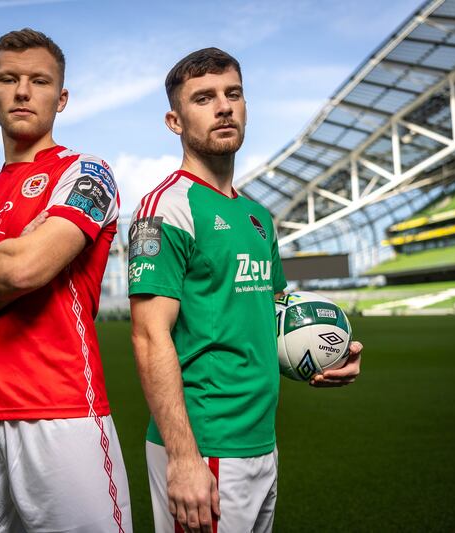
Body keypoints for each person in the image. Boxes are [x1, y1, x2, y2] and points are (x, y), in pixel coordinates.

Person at [127, 48, 363, 533]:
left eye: (233, 93)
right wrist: (184, 458)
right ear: (175, 120)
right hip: (205, 446)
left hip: (260, 442)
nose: (223, 106)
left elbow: (273, 312)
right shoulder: (164, 210)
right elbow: (150, 337)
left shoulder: (258, 217)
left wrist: (325, 354)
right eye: (204, 97)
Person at [0, 28, 131, 533]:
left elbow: (25, 268)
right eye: (8, 79)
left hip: (62, 411)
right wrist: (8, 263)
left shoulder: (87, 175)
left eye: (38, 81)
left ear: (61, 98)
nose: (21, 91)